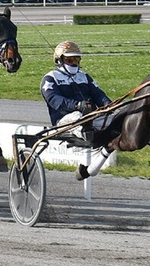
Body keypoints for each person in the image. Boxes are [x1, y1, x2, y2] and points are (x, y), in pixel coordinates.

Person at [40, 41, 113, 180]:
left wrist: (110, 105)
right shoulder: (50, 78)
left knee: (116, 116)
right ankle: (89, 132)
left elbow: (99, 95)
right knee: (79, 115)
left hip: (90, 116)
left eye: (76, 59)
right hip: (64, 120)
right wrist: (77, 105)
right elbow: (55, 100)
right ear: (59, 60)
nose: (74, 63)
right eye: (69, 59)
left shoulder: (84, 77)